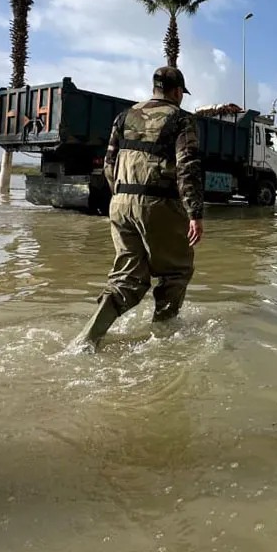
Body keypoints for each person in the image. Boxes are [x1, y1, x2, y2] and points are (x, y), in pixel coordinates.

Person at [70, 66, 204, 352]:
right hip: (158, 204)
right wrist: (194, 214)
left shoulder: (124, 116)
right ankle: (163, 341)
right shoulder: (182, 120)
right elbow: (188, 168)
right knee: (175, 273)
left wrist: (121, 197)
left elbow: (109, 165)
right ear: (178, 92)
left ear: (155, 88)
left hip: (119, 203)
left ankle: (86, 339)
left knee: (126, 278)